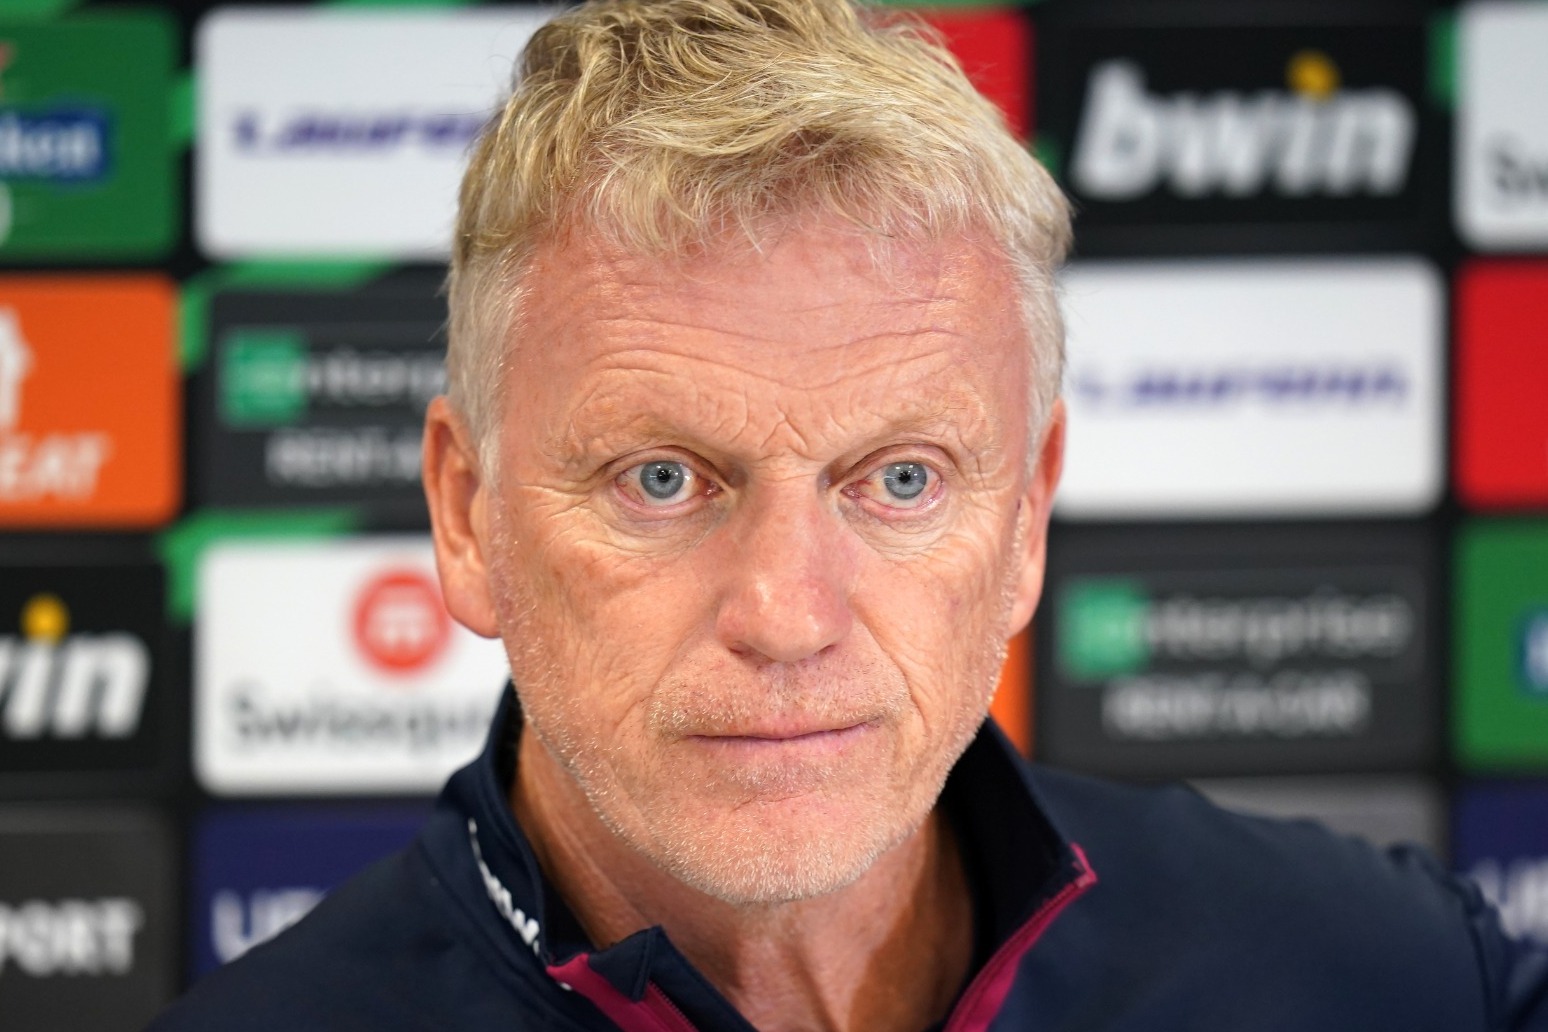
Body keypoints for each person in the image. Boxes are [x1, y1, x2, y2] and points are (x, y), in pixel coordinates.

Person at [149, 1, 1548, 1029]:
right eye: (661, 479)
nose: (786, 615)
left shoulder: (1395, 976)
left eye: (901, 479)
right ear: (468, 518)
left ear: (1027, 518)